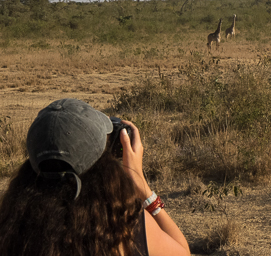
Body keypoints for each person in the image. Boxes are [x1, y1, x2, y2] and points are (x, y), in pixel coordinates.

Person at [0, 98, 190, 256]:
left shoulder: (10, 226)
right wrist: (142, 186)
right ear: (102, 163)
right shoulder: (124, 226)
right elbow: (182, 252)